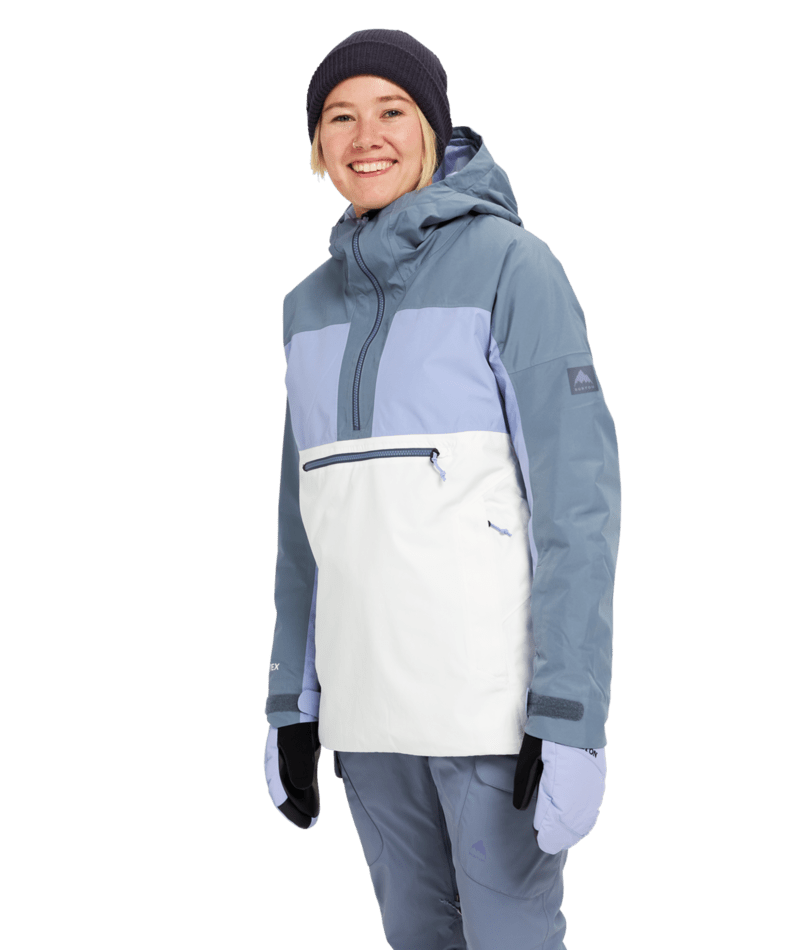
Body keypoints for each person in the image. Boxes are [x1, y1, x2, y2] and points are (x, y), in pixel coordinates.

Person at [263, 28, 621, 950]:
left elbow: (578, 505)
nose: (366, 136)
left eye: (392, 111)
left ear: (433, 128)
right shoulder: (305, 310)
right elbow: (305, 530)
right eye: (339, 117)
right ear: (317, 147)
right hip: (366, 720)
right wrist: (291, 705)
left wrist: (570, 716)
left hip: (490, 718)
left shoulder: (515, 269)